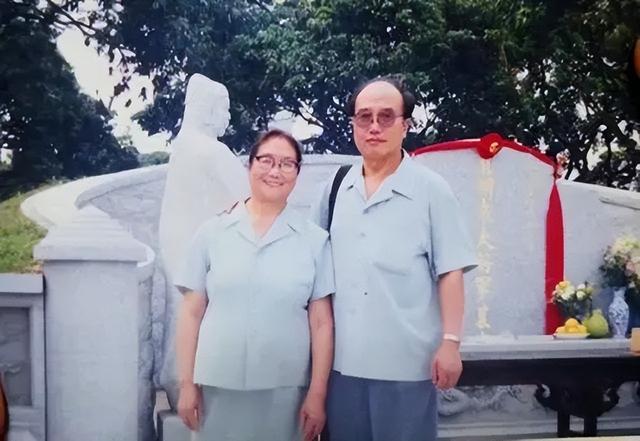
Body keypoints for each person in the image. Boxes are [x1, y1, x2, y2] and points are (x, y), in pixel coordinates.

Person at [311, 76, 477, 441]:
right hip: (342, 366)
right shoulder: (334, 190)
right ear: (353, 124)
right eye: (364, 117)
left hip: (407, 366)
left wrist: (451, 342)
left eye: (386, 117)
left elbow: (451, 271)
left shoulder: (432, 190)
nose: (374, 127)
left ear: (406, 125)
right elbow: (309, 264)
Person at [175, 129, 335, 441]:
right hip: (216, 388)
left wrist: (317, 395)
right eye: (267, 161)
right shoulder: (212, 233)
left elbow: (321, 324)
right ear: (250, 165)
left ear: (297, 173)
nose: (275, 171)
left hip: (285, 392)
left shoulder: (314, 241)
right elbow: (191, 313)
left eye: (287, 164)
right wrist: (186, 384)